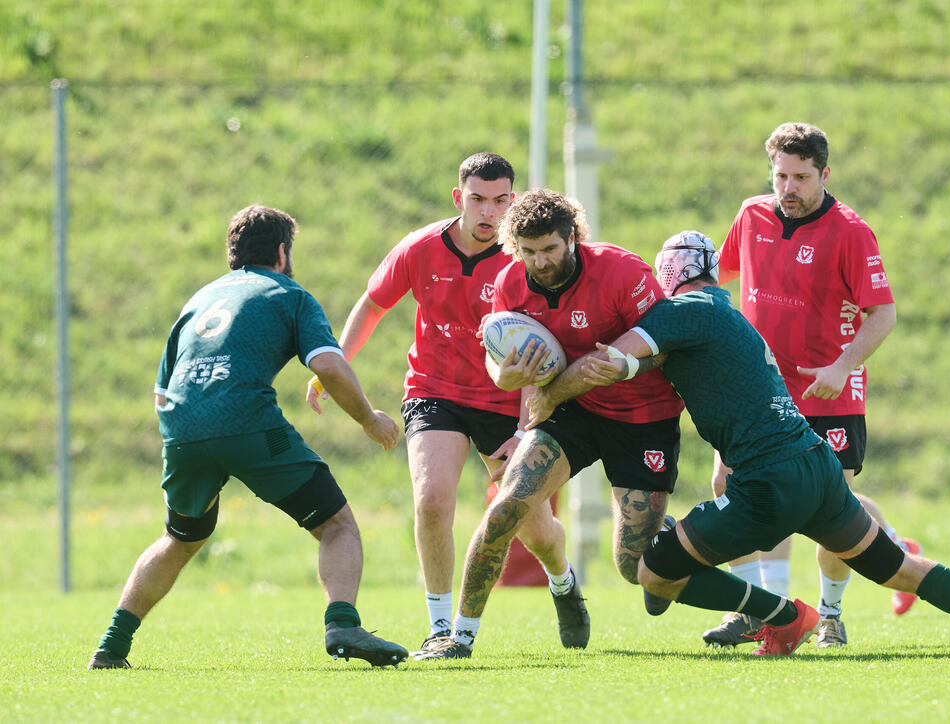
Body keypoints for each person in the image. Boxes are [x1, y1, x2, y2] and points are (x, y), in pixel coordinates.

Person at [529, 230, 950, 656]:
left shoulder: (680, 312)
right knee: (899, 568)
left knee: (652, 573)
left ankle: (786, 617)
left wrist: (544, 391)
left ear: (666, 276)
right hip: (817, 467)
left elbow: (613, 361)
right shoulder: (729, 315)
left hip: (768, 483)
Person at [88, 205, 408, 670]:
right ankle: (342, 624)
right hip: (248, 424)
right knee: (336, 526)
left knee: (179, 538)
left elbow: (161, 393)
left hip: (181, 429)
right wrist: (368, 419)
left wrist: (198, 442)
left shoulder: (199, 300)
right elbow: (329, 364)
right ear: (282, 251)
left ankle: (111, 648)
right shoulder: (287, 294)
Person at [304, 154, 569, 657]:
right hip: (435, 390)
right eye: (478, 199)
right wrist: (331, 364)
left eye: (501, 201)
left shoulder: (524, 260)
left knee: (533, 526)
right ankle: (440, 628)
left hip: (504, 398)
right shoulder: (421, 248)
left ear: (512, 201)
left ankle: (562, 581)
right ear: (459, 198)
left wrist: (524, 422)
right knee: (431, 502)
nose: (489, 212)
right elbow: (373, 304)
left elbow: (542, 349)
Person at [414, 188, 685, 660]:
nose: (540, 262)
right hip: (572, 412)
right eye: (530, 251)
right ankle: (458, 638)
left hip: (643, 417)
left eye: (550, 249)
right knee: (505, 508)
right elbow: (500, 367)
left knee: (635, 567)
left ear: (573, 238)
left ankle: (684, 535)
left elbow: (665, 344)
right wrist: (509, 376)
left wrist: (621, 365)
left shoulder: (624, 271)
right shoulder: (510, 283)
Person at [703, 122, 919, 649]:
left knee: (830, 513)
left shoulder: (850, 232)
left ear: (825, 173)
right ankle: (757, 610)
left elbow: (883, 314)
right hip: (760, 391)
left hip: (829, 390)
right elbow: (721, 277)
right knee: (729, 485)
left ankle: (830, 613)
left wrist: (842, 366)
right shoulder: (752, 215)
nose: (789, 188)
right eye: (781, 176)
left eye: (801, 177)